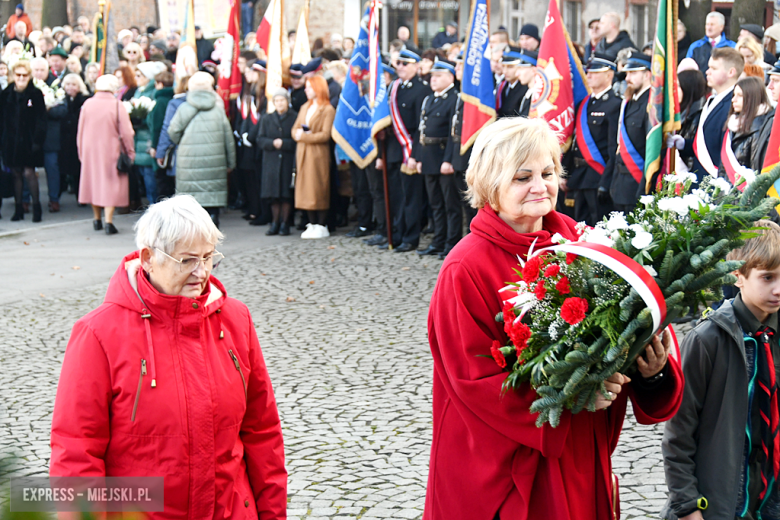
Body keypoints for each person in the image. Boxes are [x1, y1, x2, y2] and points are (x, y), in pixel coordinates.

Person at [425, 116, 682, 520]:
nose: (540, 185)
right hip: (506, 464)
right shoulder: (465, 268)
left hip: (578, 453)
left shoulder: (588, 244)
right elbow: (472, 380)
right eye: (521, 177)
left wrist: (653, 370)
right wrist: (574, 397)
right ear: (490, 187)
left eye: (547, 172)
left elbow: (626, 327)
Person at [49, 194, 287, 519]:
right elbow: (76, 452)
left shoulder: (236, 320)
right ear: (148, 258)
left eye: (208, 257)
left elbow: (262, 432)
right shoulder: (98, 334)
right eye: (187, 260)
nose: (201, 272)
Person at [662, 220, 780, 520]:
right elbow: (679, 433)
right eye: (767, 278)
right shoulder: (707, 340)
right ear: (738, 276)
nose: (778, 289)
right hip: (723, 504)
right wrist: (688, 507)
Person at [167, 72, 235, 228]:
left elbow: (173, 131)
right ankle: (213, 220)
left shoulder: (184, 108)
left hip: (188, 159)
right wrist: (231, 163)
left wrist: (183, 143)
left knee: (190, 200)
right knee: (212, 195)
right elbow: (228, 139)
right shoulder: (218, 110)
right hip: (215, 160)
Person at [378, 49, 431, 250]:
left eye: (405, 63)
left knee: (411, 197)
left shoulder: (422, 90)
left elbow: (420, 127)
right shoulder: (393, 87)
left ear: (416, 66)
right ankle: (396, 235)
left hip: (409, 149)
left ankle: (410, 238)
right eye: (398, 63)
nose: (399, 67)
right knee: (395, 196)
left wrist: (415, 154)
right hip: (393, 147)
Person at [670, 47, 744, 182]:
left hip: (716, 184)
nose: (707, 72)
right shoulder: (712, 100)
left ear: (731, 72)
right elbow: (706, 143)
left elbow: (727, 151)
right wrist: (684, 145)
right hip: (702, 181)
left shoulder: (734, 104)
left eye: (714, 68)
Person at [567, 53, 621, 226]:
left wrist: (606, 182)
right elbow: (574, 141)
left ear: (609, 75)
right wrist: (566, 172)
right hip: (580, 175)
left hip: (598, 176)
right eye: (588, 71)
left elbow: (614, 149)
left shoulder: (615, 105)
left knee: (597, 226)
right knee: (579, 228)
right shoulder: (583, 104)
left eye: (595, 72)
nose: (589, 75)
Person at [77, 75, 135, 234]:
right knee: (110, 184)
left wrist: (81, 151)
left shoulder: (87, 104)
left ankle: (96, 219)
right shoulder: (117, 105)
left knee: (93, 183)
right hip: (111, 149)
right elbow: (127, 133)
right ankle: (108, 221)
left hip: (90, 150)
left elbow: (80, 130)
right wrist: (130, 151)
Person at [414, 59, 459, 258]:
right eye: (432, 76)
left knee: (451, 204)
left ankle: (452, 243)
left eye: (438, 76)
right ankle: (438, 241)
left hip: (443, 156)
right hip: (429, 156)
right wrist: (418, 157)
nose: (433, 80)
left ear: (450, 77)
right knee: (435, 204)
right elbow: (421, 130)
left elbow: (453, 134)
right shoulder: (429, 99)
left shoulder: (454, 99)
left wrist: (448, 160)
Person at [0, 60, 46, 222]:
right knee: (16, 173)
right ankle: (18, 208)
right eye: (18, 75)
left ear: (29, 76)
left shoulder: (35, 94)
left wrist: (37, 141)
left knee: (29, 173)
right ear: (13, 75)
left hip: (30, 141)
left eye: (24, 75)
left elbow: (42, 119)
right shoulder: (6, 94)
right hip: (11, 141)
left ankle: (36, 207)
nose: (21, 78)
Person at [291, 75, 336, 239]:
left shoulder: (328, 109)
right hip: (303, 152)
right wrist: (299, 135)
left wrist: (303, 137)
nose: (306, 90)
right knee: (304, 188)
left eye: (309, 87)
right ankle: (311, 223)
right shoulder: (304, 107)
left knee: (318, 187)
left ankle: (321, 224)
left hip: (318, 155)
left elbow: (325, 135)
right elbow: (294, 128)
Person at [610, 51, 652, 212]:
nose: (627, 78)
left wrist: (643, 189)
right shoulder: (630, 102)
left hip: (637, 185)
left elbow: (652, 151)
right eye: (627, 73)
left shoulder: (651, 106)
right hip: (621, 185)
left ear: (647, 74)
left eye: (633, 73)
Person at [718, 76, 774, 181]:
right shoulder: (733, 125)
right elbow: (723, 168)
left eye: (740, 95)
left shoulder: (759, 130)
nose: (733, 99)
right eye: (734, 95)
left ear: (752, 97)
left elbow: (755, 171)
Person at [257, 88, 297, 236]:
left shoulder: (294, 117)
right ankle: (275, 222)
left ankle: (285, 223)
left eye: (282, 100)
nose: (279, 103)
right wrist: (272, 143)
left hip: (287, 160)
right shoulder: (267, 118)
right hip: (271, 162)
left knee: (286, 194)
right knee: (274, 194)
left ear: (287, 101)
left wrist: (284, 144)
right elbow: (260, 139)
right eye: (277, 101)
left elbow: (296, 140)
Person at [449, 52, 478, 234]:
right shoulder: (461, 94)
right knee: (464, 205)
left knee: (475, 205)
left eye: (460, 66)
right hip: (459, 154)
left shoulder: (474, 93)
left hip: (471, 156)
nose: (456, 69)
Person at [133, 61, 167, 205]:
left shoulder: (152, 92)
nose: (137, 77)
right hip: (138, 139)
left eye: (140, 75)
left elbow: (154, 118)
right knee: (143, 175)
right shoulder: (139, 90)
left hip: (147, 138)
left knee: (150, 177)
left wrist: (141, 119)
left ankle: (155, 206)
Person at [155, 76, 190, 198]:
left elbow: (168, 129)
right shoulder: (213, 102)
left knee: (181, 188)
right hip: (206, 151)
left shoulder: (176, 103)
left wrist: (161, 152)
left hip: (180, 149)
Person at [147, 71, 175, 201]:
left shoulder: (160, 102)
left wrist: (154, 146)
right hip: (172, 145)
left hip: (162, 145)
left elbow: (157, 127)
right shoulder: (173, 99)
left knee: (162, 182)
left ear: (160, 84)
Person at [59, 73, 88, 200]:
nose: (71, 87)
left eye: (74, 84)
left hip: (78, 137)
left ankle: (80, 195)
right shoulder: (60, 99)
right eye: (68, 84)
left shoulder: (84, 100)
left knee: (78, 169)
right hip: (64, 138)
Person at [42, 80, 68, 213]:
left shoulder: (56, 87)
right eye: (37, 70)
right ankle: (24, 200)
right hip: (31, 136)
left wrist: (48, 109)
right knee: (27, 171)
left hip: (51, 137)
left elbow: (63, 109)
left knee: (52, 167)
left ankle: (54, 199)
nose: (39, 73)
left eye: (42, 70)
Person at [676, 69, 707, 173]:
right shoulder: (679, 112)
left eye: (678, 86)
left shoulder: (699, 115)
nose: (674, 91)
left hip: (688, 176)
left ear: (688, 88)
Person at [495, 47, 536, 119]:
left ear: (533, 70)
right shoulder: (504, 86)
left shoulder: (527, 90)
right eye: (503, 66)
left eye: (510, 67)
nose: (504, 71)